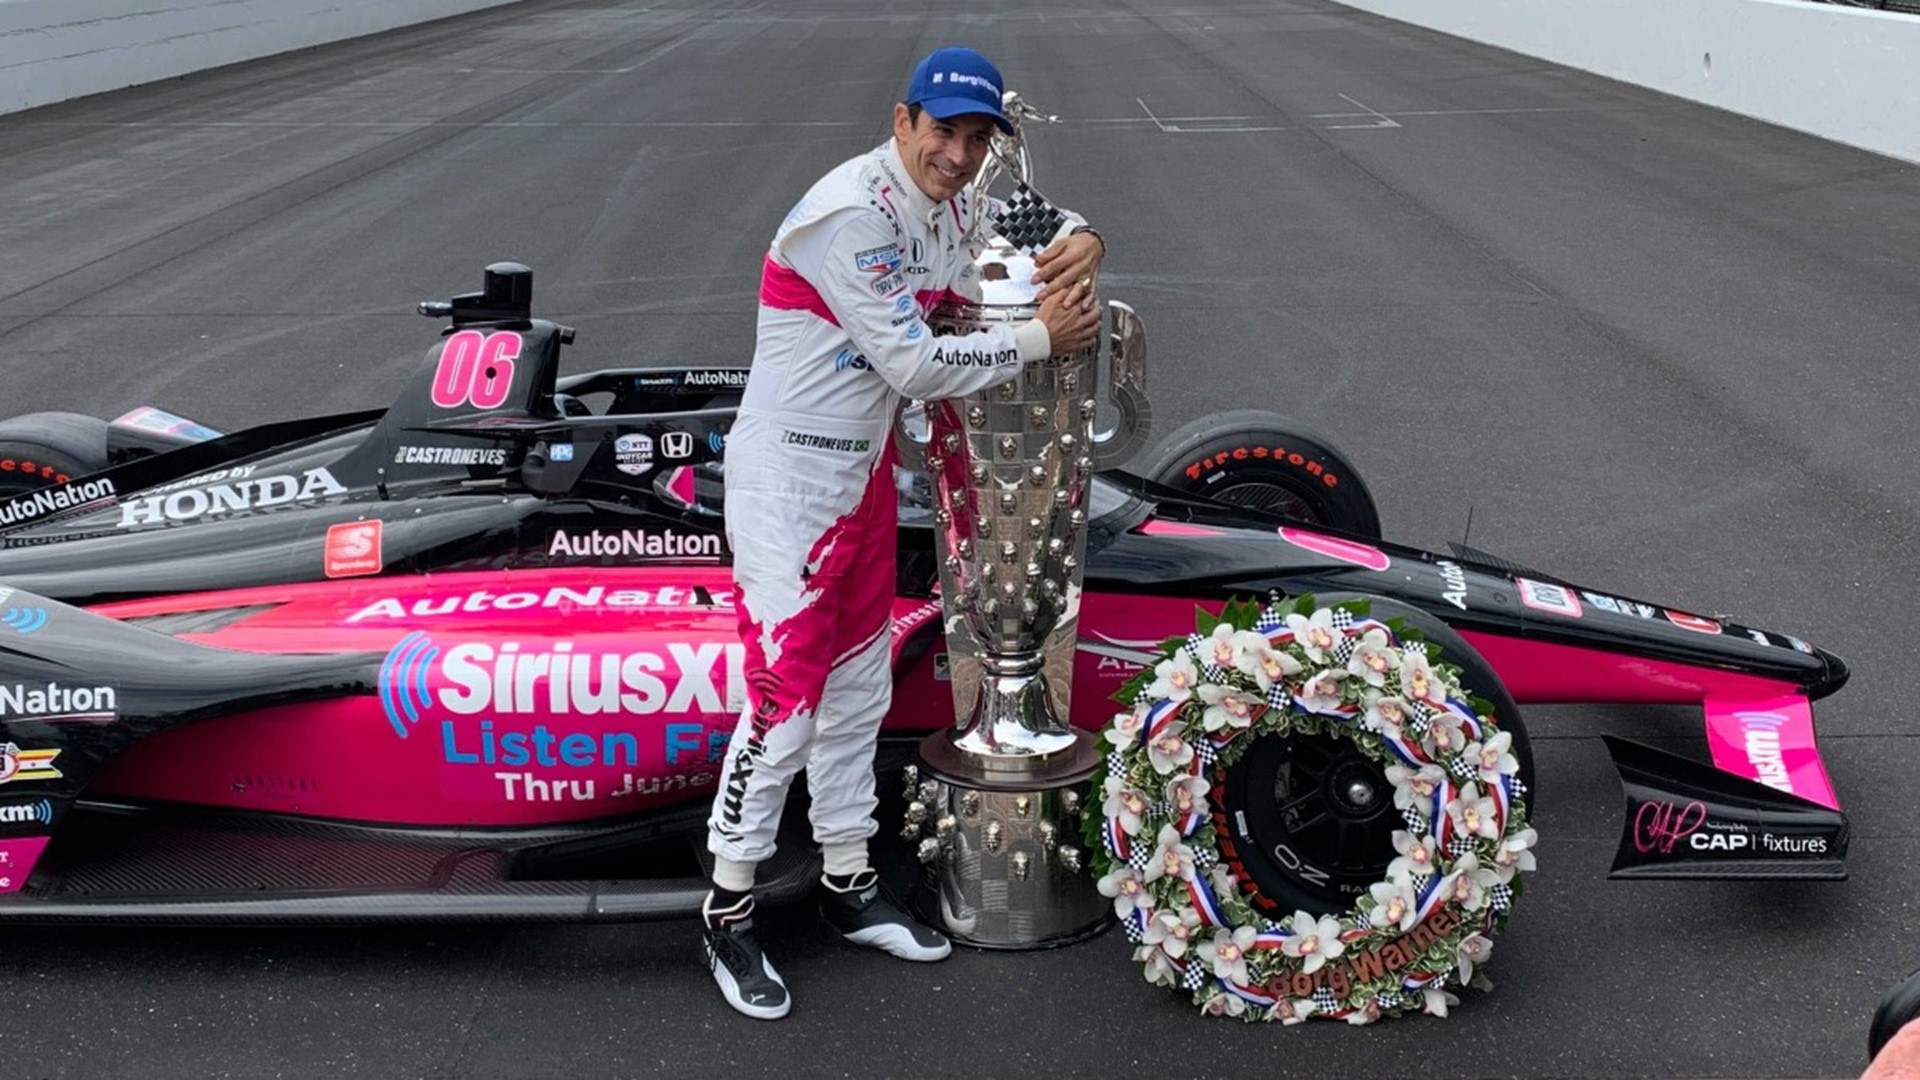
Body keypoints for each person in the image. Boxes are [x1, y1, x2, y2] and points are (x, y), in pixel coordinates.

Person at [699, 45, 1106, 1020]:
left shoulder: (957, 203)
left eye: (975, 138)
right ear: (902, 121)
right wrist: (1042, 337)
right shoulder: (853, 215)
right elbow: (916, 364)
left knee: (855, 690)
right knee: (784, 702)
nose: (958, 155)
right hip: (789, 482)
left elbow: (1039, 221)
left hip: (862, 477)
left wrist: (1081, 239)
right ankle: (728, 909)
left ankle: (848, 885)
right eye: (943, 133)